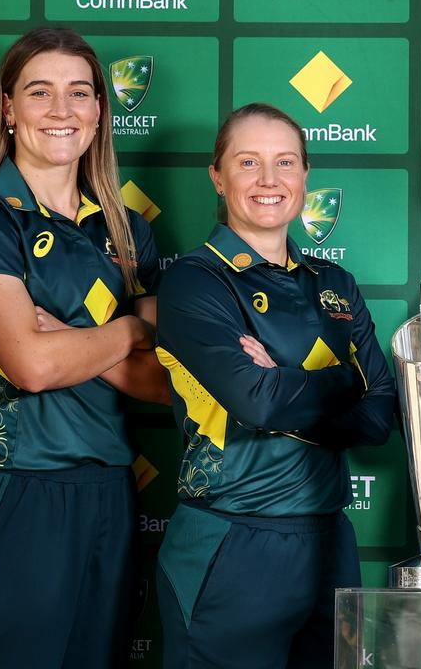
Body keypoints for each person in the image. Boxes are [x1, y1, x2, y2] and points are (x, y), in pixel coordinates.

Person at [0, 27, 166, 668]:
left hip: (110, 493)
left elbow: (163, 385)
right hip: (17, 491)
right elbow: (31, 366)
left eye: (79, 93)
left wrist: (67, 339)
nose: (62, 110)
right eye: (40, 92)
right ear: (8, 109)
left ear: (100, 109)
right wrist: (131, 331)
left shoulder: (129, 229)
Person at [154, 103, 396, 668]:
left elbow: (379, 415)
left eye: (285, 162)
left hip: (330, 541)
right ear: (218, 176)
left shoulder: (334, 283)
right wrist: (345, 379)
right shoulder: (196, 280)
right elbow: (255, 401)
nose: (269, 180)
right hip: (232, 539)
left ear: (306, 176)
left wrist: (287, 379)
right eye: (248, 162)